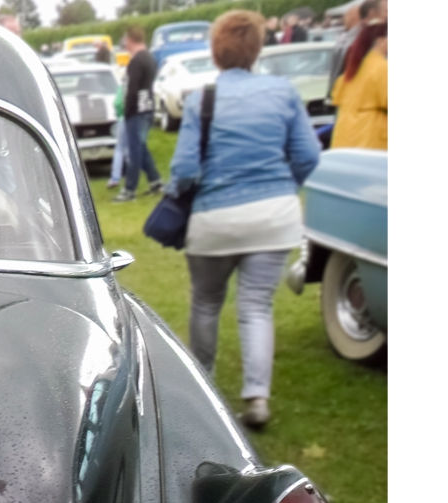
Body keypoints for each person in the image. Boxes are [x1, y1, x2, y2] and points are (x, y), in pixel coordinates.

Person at [167, 10, 320, 430]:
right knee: (256, 307)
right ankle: (257, 397)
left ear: (216, 52)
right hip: (274, 217)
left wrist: (177, 196)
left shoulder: (203, 99)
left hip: (214, 220)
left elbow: (183, 170)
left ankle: (204, 388)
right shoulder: (283, 92)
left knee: (206, 302)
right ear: (257, 49)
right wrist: (281, 187)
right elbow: (308, 156)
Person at [112, 26, 162, 203]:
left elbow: (132, 89)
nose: (124, 43)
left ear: (130, 40)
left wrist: (126, 110)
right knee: (141, 147)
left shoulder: (136, 62)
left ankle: (129, 190)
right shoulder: (150, 58)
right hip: (148, 106)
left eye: (125, 39)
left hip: (136, 110)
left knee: (134, 151)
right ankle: (155, 181)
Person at [330, 18, 387, 149]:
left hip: (344, 134)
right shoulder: (382, 67)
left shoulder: (354, 66)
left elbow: (336, 97)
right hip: (370, 136)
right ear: (380, 41)